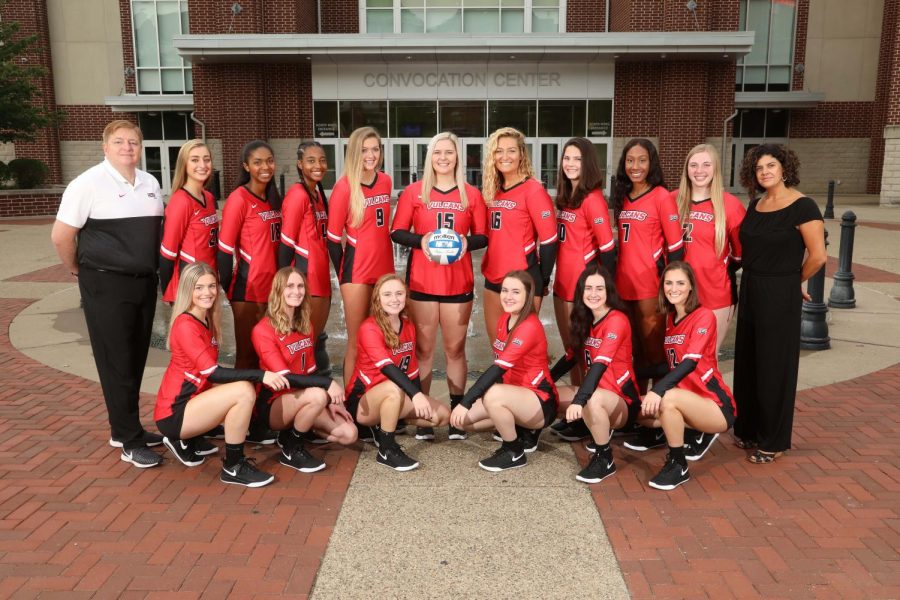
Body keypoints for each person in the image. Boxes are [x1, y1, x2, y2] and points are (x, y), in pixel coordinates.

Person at [50, 119, 166, 468]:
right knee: (115, 360)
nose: (127, 148)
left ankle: (126, 428)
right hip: (105, 283)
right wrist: (78, 271)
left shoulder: (150, 182)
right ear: (105, 147)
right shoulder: (86, 184)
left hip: (144, 282)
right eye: (119, 142)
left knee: (134, 357)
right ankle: (129, 441)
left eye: (133, 142)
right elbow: (61, 236)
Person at [154, 262, 289, 487]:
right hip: (174, 413)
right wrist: (261, 375)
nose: (207, 293)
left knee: (244, 389)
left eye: (211, 286)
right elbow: (214, 373)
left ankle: (188, 440)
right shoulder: (186, 325)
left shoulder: (207, 318)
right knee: (244, 391)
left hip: (191, 401)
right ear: (188, 290)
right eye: (199, 287)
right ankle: (233, 466)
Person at [391, 132, 488, 441]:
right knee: (423, 350)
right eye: (437, 152)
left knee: (455, 349)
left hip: (458, 282)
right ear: (430, 157)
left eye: (449, 152)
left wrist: (463, 241)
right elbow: (396, 232)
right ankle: (424, 416)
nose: (443, 157)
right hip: (421, 282)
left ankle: (457, 416)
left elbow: (484, 236)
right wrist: (422, 240)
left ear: (457, 157)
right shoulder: (414, 192)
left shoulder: (471, 194)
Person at [733, 144, 826, 464]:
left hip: (780, 291)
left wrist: (793, 281)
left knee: (774, 366)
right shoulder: (756, 204)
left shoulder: (804, 206)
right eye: (759, 168)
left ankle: (773, 440)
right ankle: (748, 429)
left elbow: (818, 256)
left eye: (771, 165)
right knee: (749, 361)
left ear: (785, 168)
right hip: (752, 287)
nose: (765, 172)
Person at [638, 262, 736, 490]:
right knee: (634, 409)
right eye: (669, 283)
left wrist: (657, 390)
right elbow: (670, 366)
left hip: (715, 405)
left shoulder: (704, 316)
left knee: (668, 399)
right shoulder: (670, 320)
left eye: (680, 283)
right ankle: (688, 430)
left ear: (691, 286)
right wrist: (633, 375)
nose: (674, 288)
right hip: (687, 401)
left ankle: (678, 464)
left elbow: (690, 362)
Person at [451, 271, 558, 472]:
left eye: (516, 292)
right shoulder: (505, 319)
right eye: (505, 290)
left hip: (539, 400)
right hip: (514, 396)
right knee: (462, 423)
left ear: (528, 295)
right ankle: (518, 427)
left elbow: (497, 368)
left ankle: (513, 451)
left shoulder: (529, 326)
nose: (508, 296)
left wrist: (465, 402)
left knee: (492, 395)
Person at [252, 267, 355, 473]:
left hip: (305, 398)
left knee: (349, 434)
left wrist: (332, 401)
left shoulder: (305, 324)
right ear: (278, 291)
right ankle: (292, 449)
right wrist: (327, 387)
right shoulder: (263, 330)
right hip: (274, 405)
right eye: (289, 286)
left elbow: (311, 372)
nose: (296, 291)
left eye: (300, 286)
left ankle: (295, 431)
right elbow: (286, 378)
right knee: (317, 395)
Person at [345, 274, 450, 471]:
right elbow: (388, 368)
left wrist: (421, 400)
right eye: (387, 294)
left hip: (394, 396)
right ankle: (386, 450)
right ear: (377, 299)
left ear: (405, 296)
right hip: (363, 401)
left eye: (399, 293)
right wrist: (416, 395)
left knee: (442, 416)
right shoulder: (369, 328)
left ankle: (387, 420)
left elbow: (410, 371)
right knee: (393, 388)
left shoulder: (407, 325)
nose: (394, 299)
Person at [548, 137, 616, 442]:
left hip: (581, 292)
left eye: (576, 159)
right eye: (566, 158)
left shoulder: (593, 199)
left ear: (587, 163)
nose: (570, 164)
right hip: (562, 287)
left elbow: (608, 249)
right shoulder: (566, 197)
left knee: (585, 355)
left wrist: (602, 297)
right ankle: (579, 412)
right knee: (573, 353)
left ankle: (590, 415)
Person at [550, 265, 641, 484]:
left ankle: (604, 457)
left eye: (599, 288)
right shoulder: (584, 319)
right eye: (588, 288)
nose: (593, 293)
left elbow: (600, 365)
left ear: (609, 291)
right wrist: (544, 384)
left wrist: (579, 401)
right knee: (545, 396)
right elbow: (569, 359)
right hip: (594, 395)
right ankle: (583, 425)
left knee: (593, 399)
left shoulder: (617, 320)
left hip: (621, 401)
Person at [610, 138, 684, 392]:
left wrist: (672, 290)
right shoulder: (622, 195)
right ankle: (638, 409)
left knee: (655, 353)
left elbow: (676, 247)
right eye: (630, 160)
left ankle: (660, 408)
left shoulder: (661, 196)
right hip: (623, 284)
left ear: (651, 163)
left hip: (650, 285)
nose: (635, 166)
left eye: (642, 160)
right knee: (634, 352)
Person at [326, 127, 395, 388]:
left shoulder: (386, 181)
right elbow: (333, 239)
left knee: (384, 337)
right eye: (364, 149)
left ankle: (377, 396)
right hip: (356, 273)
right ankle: (351, 404)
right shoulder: (344, 187)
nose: (371, 154)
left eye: (375, 149)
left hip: (385, 270)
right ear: (354, 152)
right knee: (356, 340)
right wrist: (344, 275)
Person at [480, 127, 558, 339]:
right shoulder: (492, 190)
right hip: (493, 278)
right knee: (497, 348)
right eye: (499, 151)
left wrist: (541, 282)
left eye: (511, 150)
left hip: (523, 279)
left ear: (522, 154)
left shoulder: (533, 190)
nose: (505, 156)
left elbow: (550, 240)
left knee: (519, 352)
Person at [672, 144, 746, 352]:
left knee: (706, 362)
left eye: (706, 164)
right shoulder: (672, 199)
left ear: (716, 169)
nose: (699, 170)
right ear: (686, 169)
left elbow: (740, 255)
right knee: (677, 361)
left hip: (715, 295)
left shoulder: (730, 205)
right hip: (677, 295)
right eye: (693, 165)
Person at [217, 140, 282, 370]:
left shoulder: (274, 199)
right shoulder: (239, 199)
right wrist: (230, 292)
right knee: (247, 357)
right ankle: (243, 405)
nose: (265, 167)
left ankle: (266, 406)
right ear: (246, 166)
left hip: (274, 291)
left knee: (270, 358)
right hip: (248, 291)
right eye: (257, 162)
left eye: (269, 161)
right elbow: (224, 250)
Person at [278, 141, 334, 377]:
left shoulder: (318, 193)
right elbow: (286, 243)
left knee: (316, 338)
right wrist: (284, 285)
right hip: (307, 279)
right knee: (304, 341)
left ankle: (318, 392)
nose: (318, 165)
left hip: (321, 277)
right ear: (300, 164)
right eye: (311, 161)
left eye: (322, 160)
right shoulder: (297, 195)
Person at [159, 140, 219, 303]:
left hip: (209, 282)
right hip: (190, 286)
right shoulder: (181, 201)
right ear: (184, 164)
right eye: (194, 159)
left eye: (206, 159)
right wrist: (171, 296)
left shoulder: (209, 197)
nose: (202, 164)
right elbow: (167, 255)